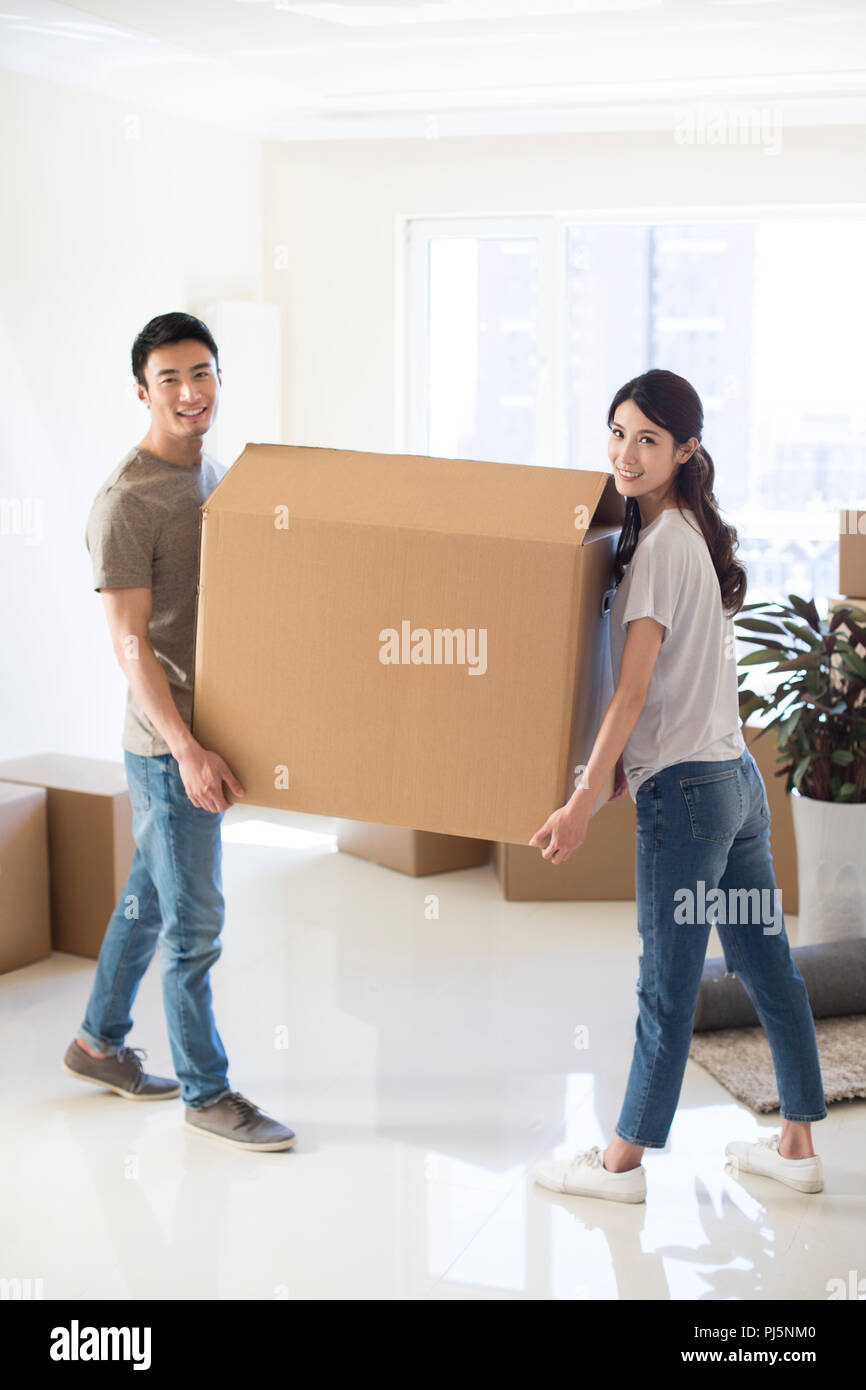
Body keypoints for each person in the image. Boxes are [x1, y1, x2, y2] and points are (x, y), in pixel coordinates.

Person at [528, 368, 826, 1202]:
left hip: (689, 801)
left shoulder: (658, 547)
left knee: (667, 984)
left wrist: (582, 799)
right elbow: (677, 685)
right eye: (618, 433)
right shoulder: (692, 530)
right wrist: (628, 764)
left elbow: (630, 692)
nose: (626, 454)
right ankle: (797, 1146)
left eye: (648, 440)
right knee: (769, 968)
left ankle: (620, 1163)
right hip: (735, 784)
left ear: (686, 449)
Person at [62, 311, 296, 1152]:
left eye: (202, 374)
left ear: (220, 380)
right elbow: (130, 643)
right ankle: (207, 1093)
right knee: (195, 930)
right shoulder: (128, 501)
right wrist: (187, 750)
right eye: (170, 379)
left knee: (150, 899)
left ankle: (97, 1044)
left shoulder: (217, 476)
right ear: (142, 392)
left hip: (206, 729)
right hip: (170, 746)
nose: (190, 392)